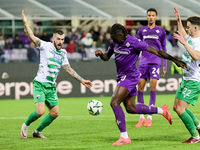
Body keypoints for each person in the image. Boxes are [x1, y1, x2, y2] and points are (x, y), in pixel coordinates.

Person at [95, 23, 186, 145]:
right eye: (112, 38)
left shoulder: (134, 42)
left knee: (114, 102)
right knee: (131, 108)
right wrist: (101, 54)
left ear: (122, 35)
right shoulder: (114, 42)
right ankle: (162, 110)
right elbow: (107, 57)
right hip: (121, 76)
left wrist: (175, 60)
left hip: (131, 76)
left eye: (115, 38)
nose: (114, 41)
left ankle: (124, 137)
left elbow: (157, 52)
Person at [20, 10, 92, 139]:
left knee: (54, 113)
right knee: (40, 112)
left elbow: (68, 68)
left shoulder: (63, 53)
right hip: (40, 84)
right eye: (58, 39)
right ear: (53, 38)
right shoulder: (45, 46)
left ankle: (37, 132)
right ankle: (25, 125)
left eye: (62, 39)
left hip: (51, 87)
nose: (60, 41)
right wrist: (26, 24)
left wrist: (82, 80)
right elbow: (32, 37)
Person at [172, 7, 200, 143]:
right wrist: (178, 19)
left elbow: (196, 56)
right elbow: (183, 33)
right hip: (186, 79)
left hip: (195, 80)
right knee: (175, 107)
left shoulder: (199, 42)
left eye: (189, 27)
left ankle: (195, 136)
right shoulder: (189, 37)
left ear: (196, 28)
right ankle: (199, 126)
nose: (186, 29)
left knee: (180, 108)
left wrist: (184, 43)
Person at [136, 8, 167, 127]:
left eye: (153, 15)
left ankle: (150, 116)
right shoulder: (141, 30)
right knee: (141, 86)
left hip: (155, 62)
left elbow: (164, 49)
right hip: (143, 62)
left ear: (156, 17)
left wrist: (164, 64)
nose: (151, 17)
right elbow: (137, 47)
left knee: (153, 85)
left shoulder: (161, 31)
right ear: (146, 17)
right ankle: (141, 116)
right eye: (149, 15)